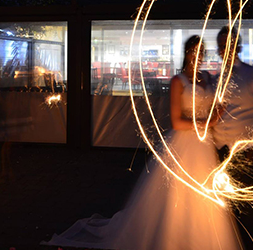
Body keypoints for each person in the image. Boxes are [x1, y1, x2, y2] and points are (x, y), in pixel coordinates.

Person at [43, 36, 241, 250]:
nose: (199, 55)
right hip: (185, 143)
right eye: (195, 51)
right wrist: (207, 122)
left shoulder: (207, 78)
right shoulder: (178, 81)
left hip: (204, 146)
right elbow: (176, 121)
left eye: (202, 51)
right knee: (178, 193)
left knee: (203, 193)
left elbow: (214, 102)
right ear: (187, 53)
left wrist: (221, 109)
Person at [213, 26, 253, 249]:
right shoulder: (215, 79)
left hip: (247, 152)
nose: (223, 50)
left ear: (238, 47)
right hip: (221, 152)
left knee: (251, 212)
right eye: (220, 46)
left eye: (228, 44)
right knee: (225, 211)